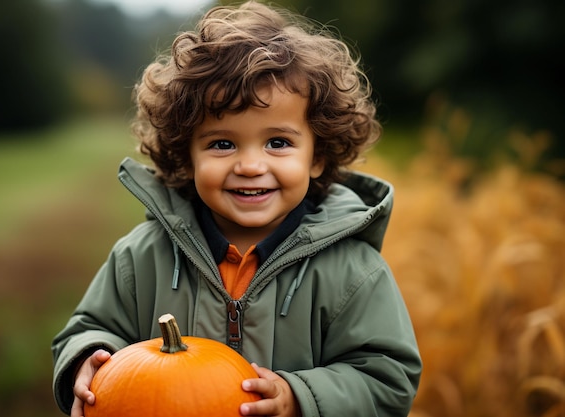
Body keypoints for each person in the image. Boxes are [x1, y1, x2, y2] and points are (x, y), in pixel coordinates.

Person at [51, 1, 422, 416]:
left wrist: (300, 398)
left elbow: (387, 378)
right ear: (187, 156)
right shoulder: (142, 256)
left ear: (317, 156)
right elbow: (89, 329)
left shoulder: (352, 270)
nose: (249, 166)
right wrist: (88, 359)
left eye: (278, 142)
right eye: (222, 144)